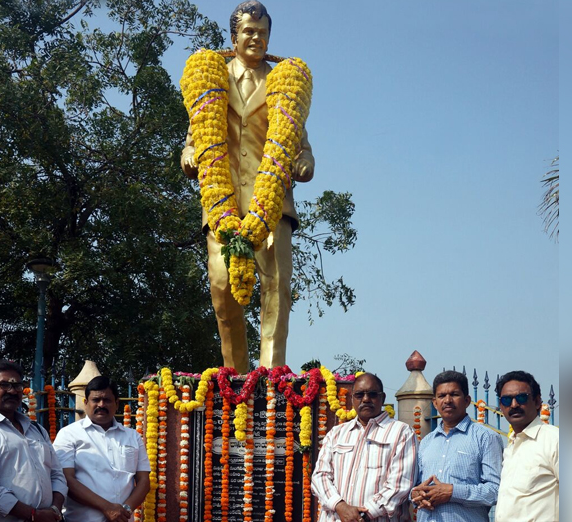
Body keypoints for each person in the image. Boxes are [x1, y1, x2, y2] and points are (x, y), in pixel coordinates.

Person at [181, 0, 315, 373]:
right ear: (234, 37)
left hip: (272, 204)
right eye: (249, 32)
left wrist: (304, 161)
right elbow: (193, 138)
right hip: (221, 201)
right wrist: (189, 155)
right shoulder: (211, 78)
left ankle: (272, 374)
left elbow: (301, 145)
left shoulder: (284, 83)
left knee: (276, 288)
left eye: (262, 33)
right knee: (223, 289)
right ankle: (236, 375)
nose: (256, 38)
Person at [0, 360, 67, 522]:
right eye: (4, 384)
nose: (12, 391)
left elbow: (57, 475)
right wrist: (33, 515)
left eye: (17, 386)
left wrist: (54, 510)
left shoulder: (36, 429)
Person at [311, 373, 418, 522]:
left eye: (372, 394)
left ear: (383, 397)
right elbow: (320, 476)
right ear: (352, 399)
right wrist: (340, 506)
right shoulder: (336, 434)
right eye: (359, 394)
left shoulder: (401, 433)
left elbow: (400, 484)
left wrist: (362, 516)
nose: (366, 399)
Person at [53, 376, 150, 522]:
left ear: (116, 403)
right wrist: (107, 507)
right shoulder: (69, 434)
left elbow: (143, 481)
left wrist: (125, 510)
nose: (101, 404)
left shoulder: (132, 436)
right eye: (96, 400)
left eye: (107, 400)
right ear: (86, 403)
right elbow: (66, 479)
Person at [411, 370, 503, 521]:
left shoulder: (486, 437)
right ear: (434, 403)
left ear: (467, 400)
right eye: (441, 396)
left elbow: (495, 491)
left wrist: (453, 492)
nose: (447, 400)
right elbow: (415, 487)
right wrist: (415, 495)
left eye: (454, 394)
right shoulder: (427, 442)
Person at [494, 370, 559, 522]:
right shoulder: (511, 448)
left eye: (521, 398)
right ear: (501, 406)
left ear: (537, 402)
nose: (514, 405)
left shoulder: (553, 440)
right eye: (506, 400)